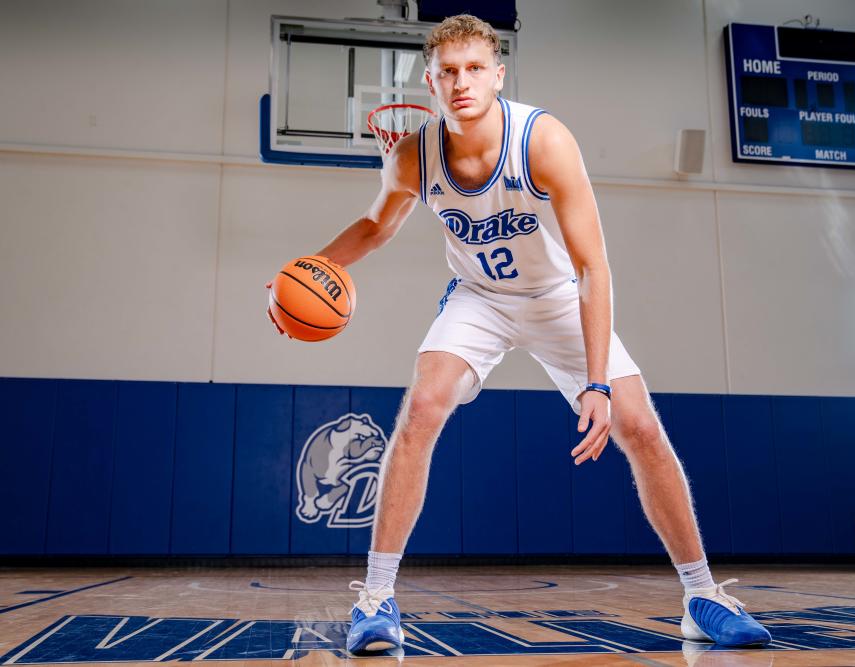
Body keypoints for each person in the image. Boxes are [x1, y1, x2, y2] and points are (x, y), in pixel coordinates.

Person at [269, 14, 772, 655]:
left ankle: (704, 597)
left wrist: (595, 382)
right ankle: (376, 599)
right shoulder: (413, 156)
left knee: (641, 427)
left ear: (498, 74)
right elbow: (372, 228)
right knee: (422, 407)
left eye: (475, 69)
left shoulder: (544, 141)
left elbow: (593, 268)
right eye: (448, 72)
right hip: (479, 298)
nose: (461, 83)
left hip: (560, 297)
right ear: (430, 81)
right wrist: (306, 272)